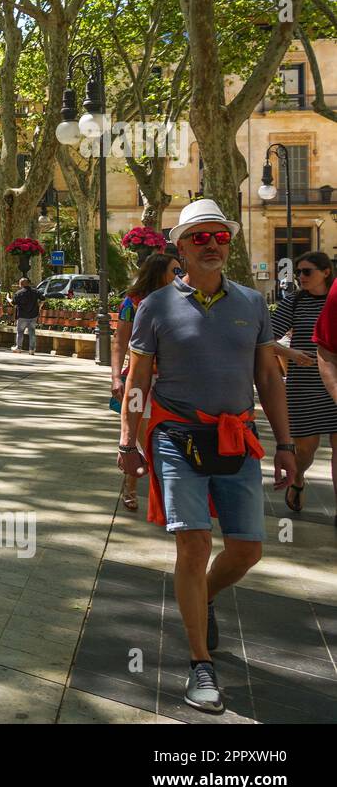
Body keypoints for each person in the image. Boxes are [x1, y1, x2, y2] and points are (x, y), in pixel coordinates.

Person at [119, 199, 294, 714]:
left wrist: (285, 445)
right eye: (201, 238)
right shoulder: (155, 308)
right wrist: (128, 442)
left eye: (220, 236)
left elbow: (268, 378)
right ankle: (200, 665)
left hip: (238, 437)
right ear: (182, 247)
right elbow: (137, 382)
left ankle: (206, 597)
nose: (213, 244)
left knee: (246, 550)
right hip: (177, 436)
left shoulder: (251, 304)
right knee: (193, 544)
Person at [111, 253, 180, 511]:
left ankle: (160, 494)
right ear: (158, 272)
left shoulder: (182, 299)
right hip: (142, 380)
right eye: (174, 271)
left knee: (165, 440)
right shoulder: (133, 302)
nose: (179, 275)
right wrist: (116, 376)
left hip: (174, 380)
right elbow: (119, 341)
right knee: (144, 439)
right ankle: (133, 487)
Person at [271, 251, 337, 517]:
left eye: (307, 271)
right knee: (305, 451)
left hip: (333, 382)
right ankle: (298, 479)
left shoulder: (334, 300)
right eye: (298, 272)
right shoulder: (294, 302)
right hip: (304, 387)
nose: (300, 277)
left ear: (325, 272)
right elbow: (266, 339)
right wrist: (291, 354)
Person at [10, 277, 45, 354]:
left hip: (22, 316)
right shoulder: (35, 291)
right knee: (32, 332)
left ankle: (18, 348)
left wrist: (8, 299)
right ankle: (31, 350)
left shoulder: (19, 293)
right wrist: (39, 306)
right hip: (33, 316)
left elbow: (13, 303)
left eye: (19, 283)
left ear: (21, 284)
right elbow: (43, 298)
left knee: (20, 332)